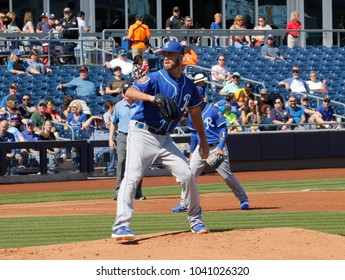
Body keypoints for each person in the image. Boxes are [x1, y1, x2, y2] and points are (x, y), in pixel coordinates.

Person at [110, 41, 210, 241]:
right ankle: (121, 227)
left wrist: (203, 140)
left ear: (181, 57)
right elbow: (129, 92)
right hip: (142, 133)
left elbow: (195, 113)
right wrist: (151, 98)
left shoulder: (190, 86)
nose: (165, 57)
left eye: (170, 54)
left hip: (165, 138)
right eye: (164, 53)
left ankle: (195, 219)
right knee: (131, 178)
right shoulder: (155, 77)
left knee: (188, 175)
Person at [172, 90, 249, 213]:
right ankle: (184, 203)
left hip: (216, 146)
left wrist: (221, 147)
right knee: (189, 175)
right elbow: (193, 134)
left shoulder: (213, 110)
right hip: (201, 148)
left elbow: (223, 128)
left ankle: (243, 199)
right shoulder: (192, 113)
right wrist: (192, 152)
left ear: (202, 97)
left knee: (227, 176)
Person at [109, 83, 145, 201]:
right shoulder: (119, 106)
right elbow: (113, 123)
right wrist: (110, 138)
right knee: (122, 162)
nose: (126, 93)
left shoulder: (140, 105)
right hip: (123, 135)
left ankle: (137, 193)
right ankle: (119, 192)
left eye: (128, 90)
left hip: (137, 136)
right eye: (124, 91)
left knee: (137, 164)